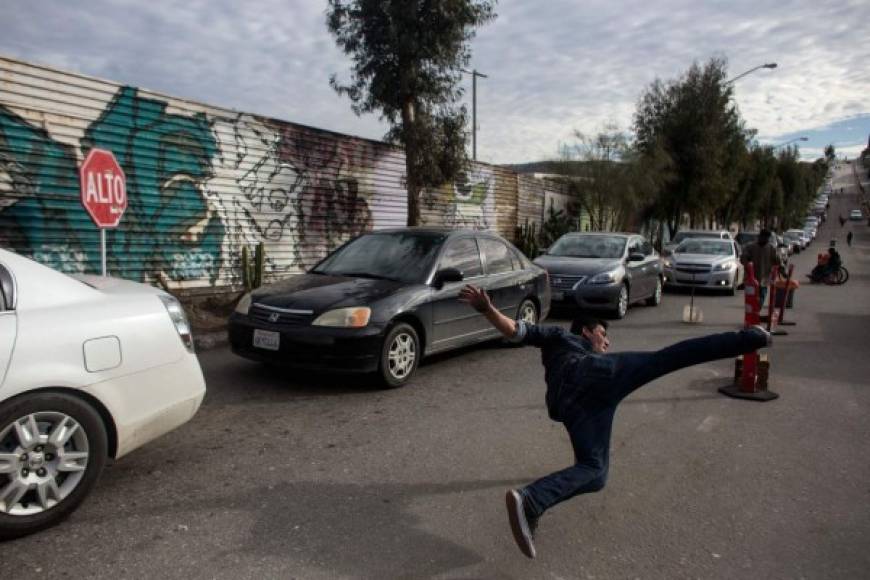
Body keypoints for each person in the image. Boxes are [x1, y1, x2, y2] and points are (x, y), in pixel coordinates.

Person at [458, 285, 771, 559]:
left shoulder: (552, 340)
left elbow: (516, 331)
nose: (606, 343)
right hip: (589, 377)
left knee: (595, 471)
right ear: (586, 331)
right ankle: (748, 338)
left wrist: (488, 310)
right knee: (668, 358)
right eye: (603, 335)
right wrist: (488, 309)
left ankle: (531, 500)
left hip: (574, 408)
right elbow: (516, 329)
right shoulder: (562, 336)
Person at [740, 229, 782, 307]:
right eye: (764, 237)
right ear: (760, 237)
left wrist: (783, 270)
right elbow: (743, 259)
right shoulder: (750, 247)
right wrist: (747, 259)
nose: (766, 239)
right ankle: (754, 312)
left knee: (762, 296)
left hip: (764, 278)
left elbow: (777, 261)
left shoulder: (771, 248)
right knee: (752, 297)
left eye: (767, 238)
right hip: (751, 278)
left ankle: (756, 311)